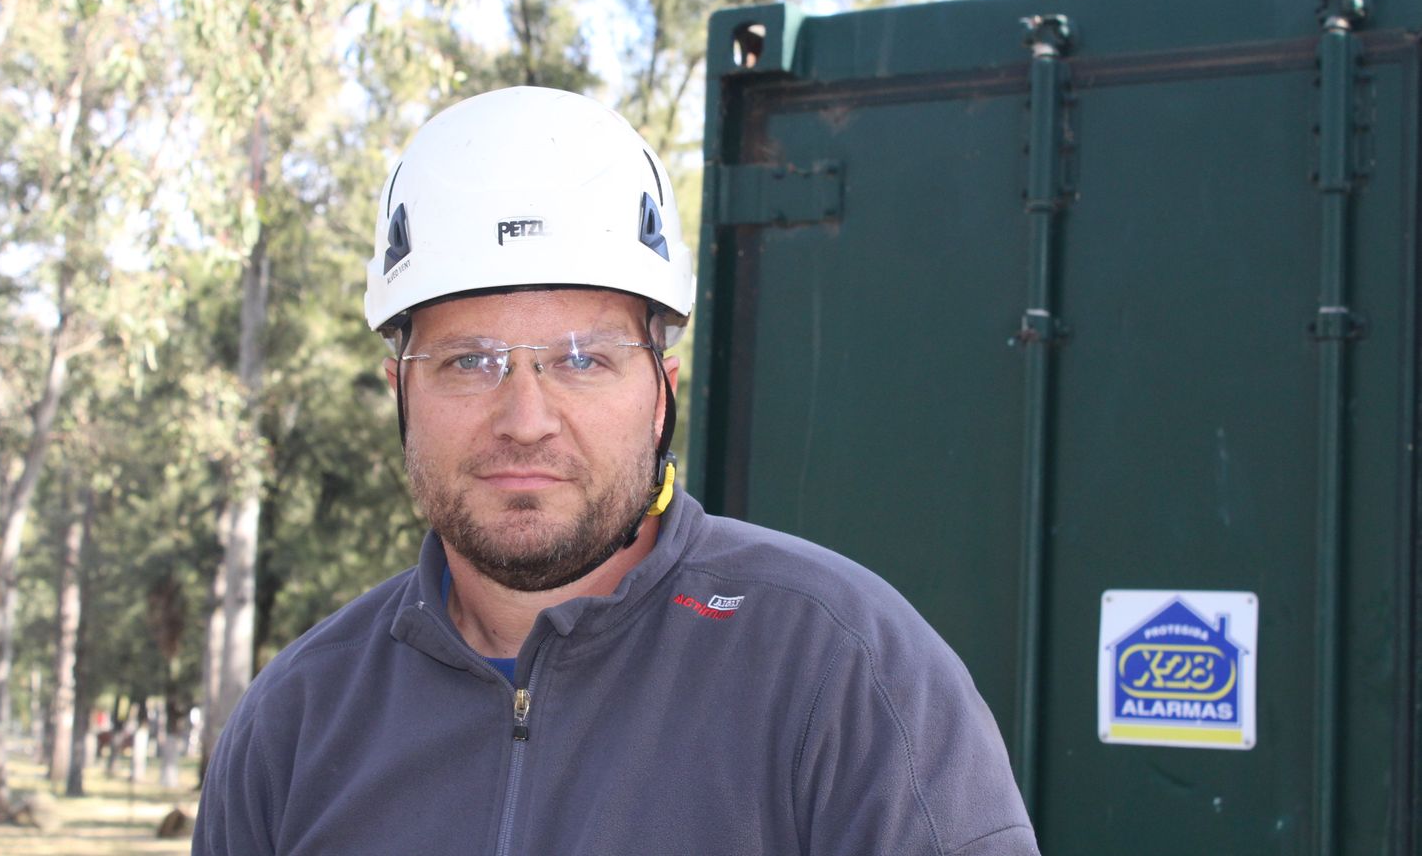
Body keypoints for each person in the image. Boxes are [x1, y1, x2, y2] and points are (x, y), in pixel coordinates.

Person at [193, 86, 1039, 855]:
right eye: (469, 363)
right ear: (399, 390)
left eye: (582, 361)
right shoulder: (296, 724)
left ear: (662, 391)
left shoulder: (846, 673)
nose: (525, 421)